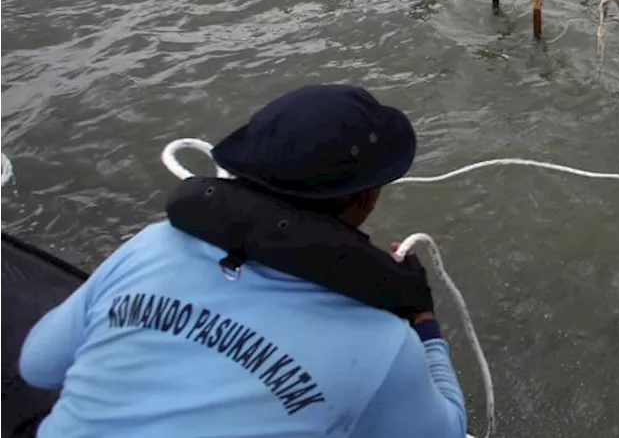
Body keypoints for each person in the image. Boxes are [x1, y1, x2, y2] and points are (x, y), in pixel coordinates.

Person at [19, 85, 467, 438]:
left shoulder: (151, 246)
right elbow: (447, 430)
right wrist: (423, 323)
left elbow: (37, 365)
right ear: (367, 197)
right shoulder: (383, 344)